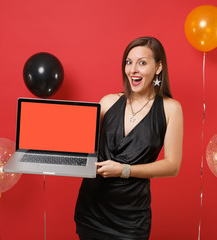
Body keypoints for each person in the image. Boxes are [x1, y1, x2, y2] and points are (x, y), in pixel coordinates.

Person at [74, 36, 183, 240]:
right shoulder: (107, 102)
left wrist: (125, 170)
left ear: (158, 67)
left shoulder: (170, 108)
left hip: (131, 218)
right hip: (92, 210)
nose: (133, 69)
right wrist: (47, 155)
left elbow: (172, 166)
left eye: (142, 63)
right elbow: (79, 145)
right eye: (128, 62)